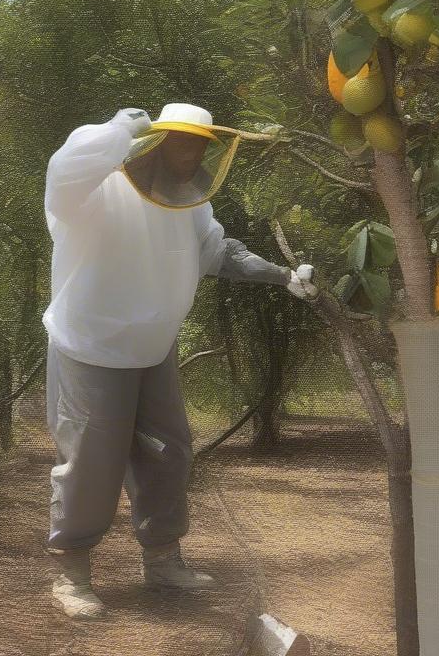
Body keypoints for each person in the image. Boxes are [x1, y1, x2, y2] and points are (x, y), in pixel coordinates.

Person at [41, 102, 318, 620]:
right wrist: (121, 128)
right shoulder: (93, 192)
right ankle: (72, 569)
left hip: (154, 344)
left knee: (167, 453)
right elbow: (66, 166)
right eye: (182, 141)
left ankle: (163, 560)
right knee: (91, 462)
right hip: (92, 346)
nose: (192, 154)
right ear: (158, 141)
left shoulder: (190, 202)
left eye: (201, 144)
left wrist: (282, 276)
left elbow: (217, 252)